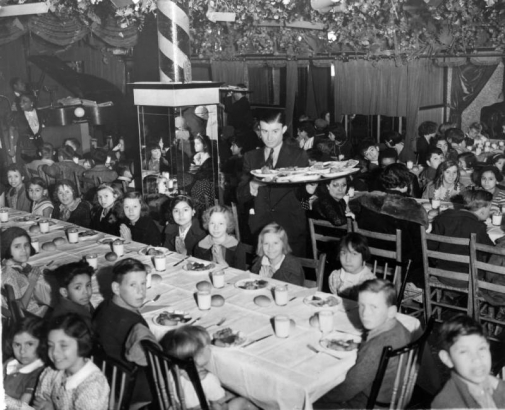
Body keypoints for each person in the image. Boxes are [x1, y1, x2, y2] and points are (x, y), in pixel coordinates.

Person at [315, 279, 411, 408]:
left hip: (372, 404)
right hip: (394, 398)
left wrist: (316, 398)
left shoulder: (376, 347)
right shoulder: (398, 327)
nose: (365, 313)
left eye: (374, 307)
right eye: (362, 305)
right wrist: (359, 345)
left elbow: (348, 389)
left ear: (391, 311)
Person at [237, 110, 309, 256]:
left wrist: (311, 188)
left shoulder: (298, 155)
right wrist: (254, 184)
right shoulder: (250, 157)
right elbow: (239, 196)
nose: (269, 137)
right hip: (260, 229)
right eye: (264, 131)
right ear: (259, 130)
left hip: (290, 228)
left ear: (284, 129)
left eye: (275, 131)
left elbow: (302, 195)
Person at [349, 163, 429, 286]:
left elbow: (352, 207)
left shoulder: (367, 199)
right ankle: (412, 290)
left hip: (373, 257)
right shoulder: (414, 208)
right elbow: (420, 240)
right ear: (407, 182)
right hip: (402, 264)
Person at [92, 258, 151, 404]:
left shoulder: (106, 306)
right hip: (133, 389)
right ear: (116, 288)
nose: (141, 291)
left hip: (112, 378)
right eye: (133, 285)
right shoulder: (132, 324)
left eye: (143, 283)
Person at [160, 326, 257, 410]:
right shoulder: (207, 379)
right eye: (207, 347)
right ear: (200, 355)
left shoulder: (172, 371)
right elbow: (220, 401)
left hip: (181, 406)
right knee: (242, 401)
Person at [34, 313, 110, 410]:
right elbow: (38, 403)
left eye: (63, 346)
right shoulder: (52, 372)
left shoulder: (93, 386)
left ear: (82, 344)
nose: (55, 353)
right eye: (51, 345)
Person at [432, 314, 505, 409]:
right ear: (447, 359)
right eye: (464, 352)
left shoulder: (493, 383)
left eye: (481, 348)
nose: (477, 359)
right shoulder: (449, 404)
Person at [430, 189, 494, 288]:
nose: (489, 212)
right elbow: (490, 252)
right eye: (489, 208)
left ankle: (449, 296)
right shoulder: (478, 227)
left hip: (442, 274)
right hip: (469, 278)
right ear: (483, 210)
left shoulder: (441, 218)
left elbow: (431, 246)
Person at [1, 227, 49, 316]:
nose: (23, 250)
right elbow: (19, 310)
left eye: (26, 245)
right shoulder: (10, 276)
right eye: (17, 246)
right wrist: (31, 284)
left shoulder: (5, 265)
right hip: (31, 317)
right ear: (7, 248)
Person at [3, 316, 47, 409]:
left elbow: (23, 406)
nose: (22, 351)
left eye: (29, 344)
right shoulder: (11, 362)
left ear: (42, 343)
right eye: (17, 345)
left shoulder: (39, 373)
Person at [194, 205, 246, 270]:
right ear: (207, 224)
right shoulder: (201, 246)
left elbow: (240, 276)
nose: (216, 227)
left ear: (227, 225)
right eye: (212, 223)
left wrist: (221, 261)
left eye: (221, 223)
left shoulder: (237, 247)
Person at [328, 233, 375, 300]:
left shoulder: (369, 280)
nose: (347, 259)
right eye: (343, 253)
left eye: (354, 254)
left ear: (363, 256)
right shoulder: (336, 276)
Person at [49, 261, 95, 328]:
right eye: (78, 287)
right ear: (64, 292)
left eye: (88, 285)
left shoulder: (79, 300)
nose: (86, 292)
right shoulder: (71, 322)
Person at [191, 133, 218, 213]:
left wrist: (197, 167)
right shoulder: (199, 158)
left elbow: (201, 177)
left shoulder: (209, 161)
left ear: (205, 145)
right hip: (201, 193)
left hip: (206, 195)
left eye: (198, 143)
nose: (195, 146)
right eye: (194, 143)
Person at [14, 93, 44, 165]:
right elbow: (11, 130)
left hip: (38, 144)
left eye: (24, 101)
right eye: (20, 101)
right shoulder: (17, 116)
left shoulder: (40, 114)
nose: (21, 103)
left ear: (32, 103)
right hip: (24, 146)